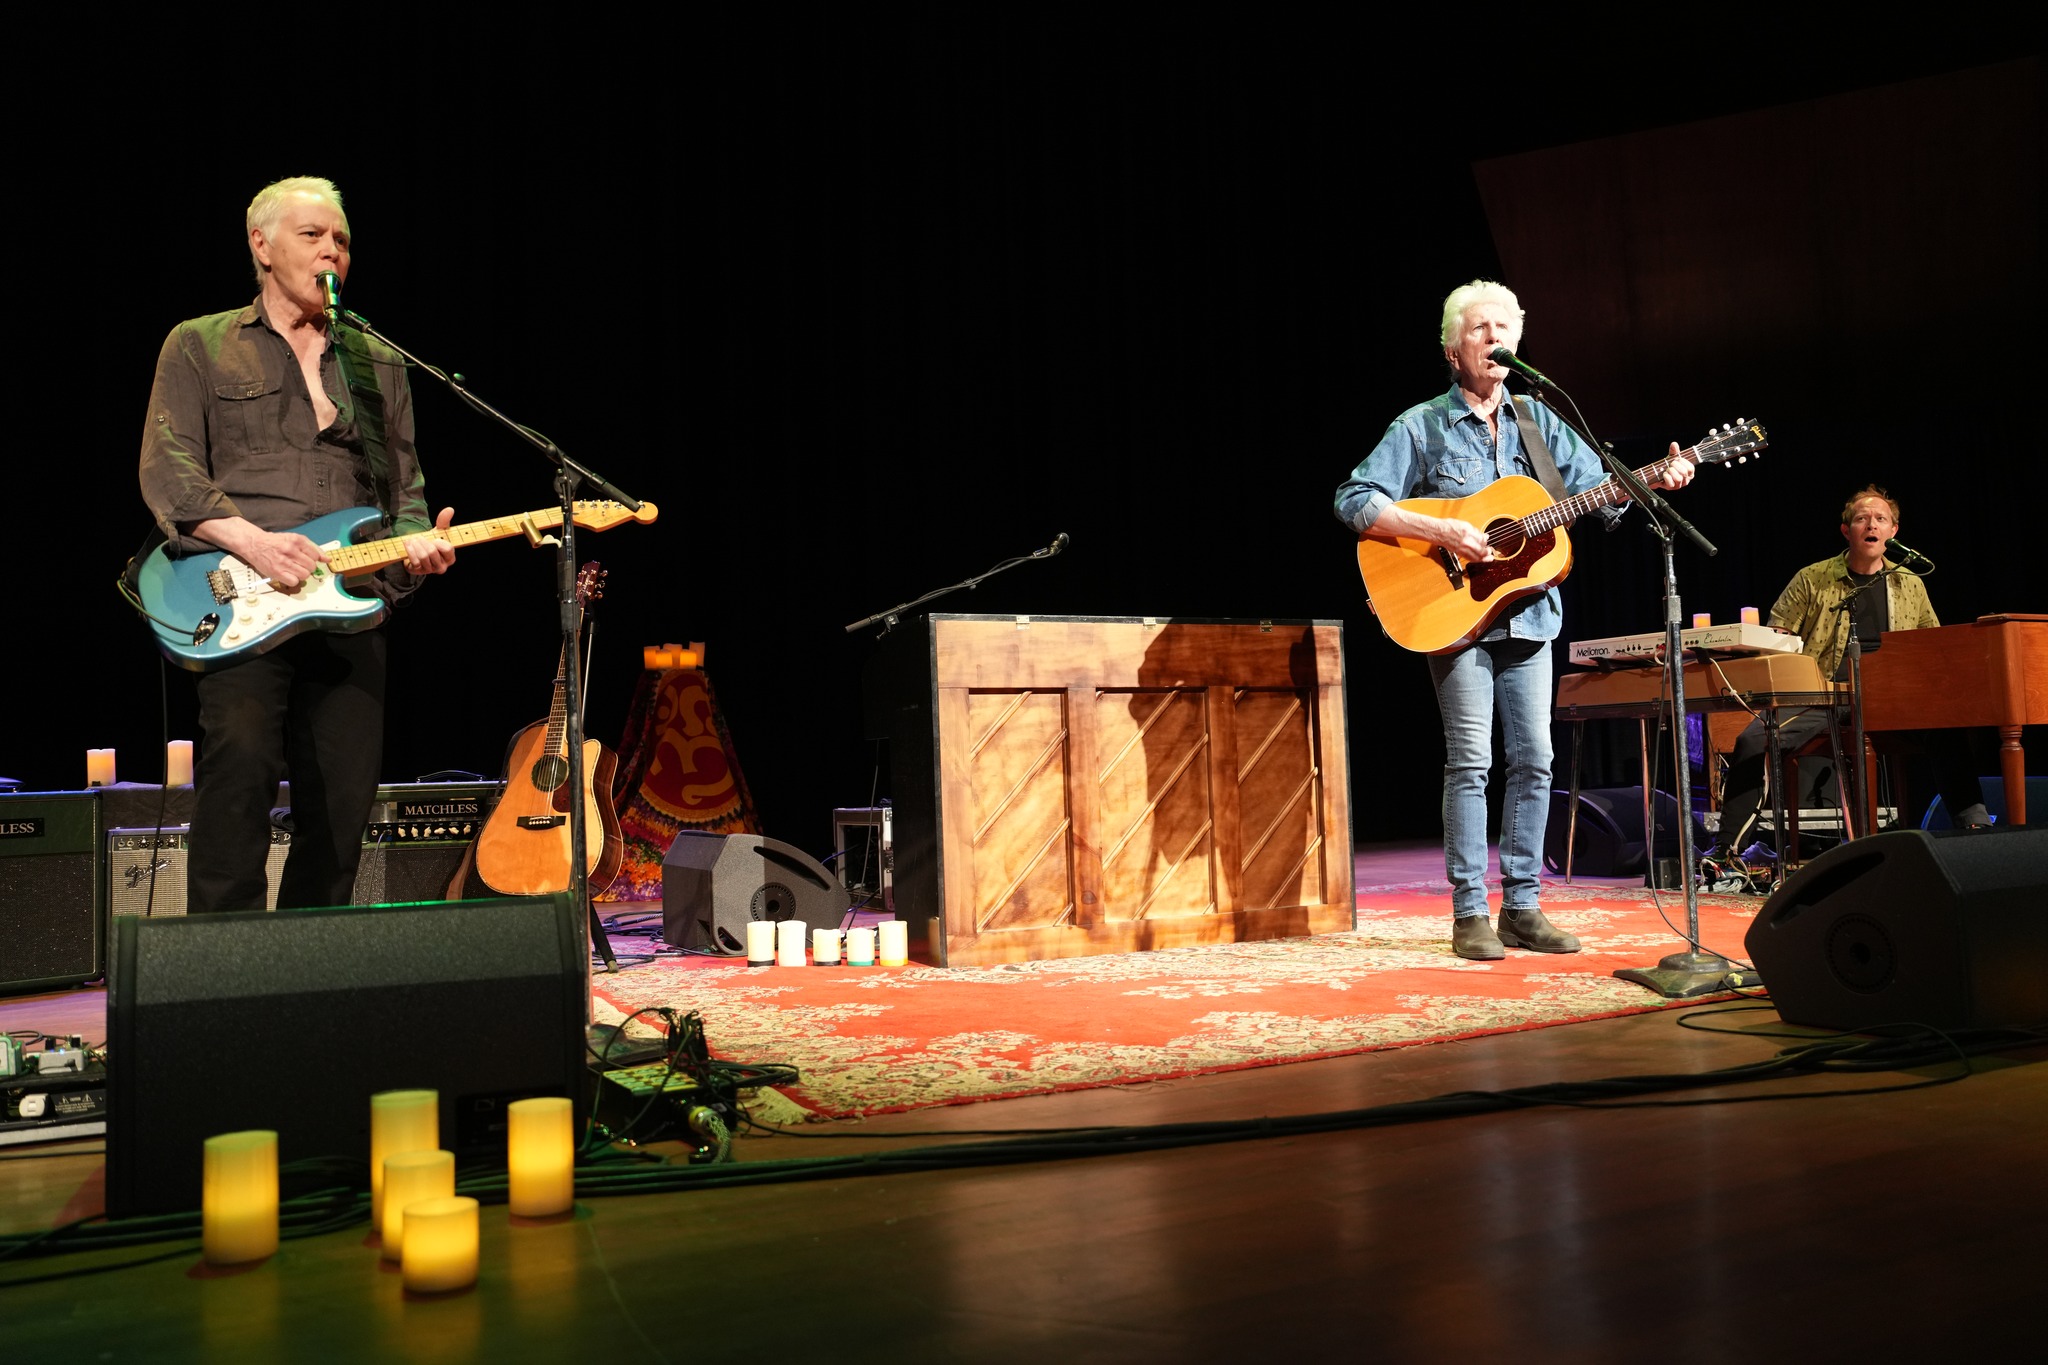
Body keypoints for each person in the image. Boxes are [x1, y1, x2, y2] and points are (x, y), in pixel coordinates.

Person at [1334, 281, 1694, 961]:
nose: (1494, 337)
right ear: (1452, 347)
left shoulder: (1541, 421)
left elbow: (1603, 496)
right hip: (1453, 612)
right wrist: (1439, 530)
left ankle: (1522, 906)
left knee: (1536, 759)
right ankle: (1470, 911)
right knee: (1471, 760)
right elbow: (1354, 498)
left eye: (1505, 327)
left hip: (1530, 614)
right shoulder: (1420, 426)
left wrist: (1656, 479)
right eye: (1480, 327)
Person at [139, 176, 457, 912]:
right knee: (241, 765)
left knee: (347, 801)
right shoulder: (199, 343)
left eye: (341, 240)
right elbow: (168, 468)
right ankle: (223, 976)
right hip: (238, 594)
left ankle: (307, 978)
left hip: (349, 602)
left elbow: (403, 493)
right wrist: (254, 543)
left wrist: (417, 552)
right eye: (313, 235)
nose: (332, 251)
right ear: (262, 244)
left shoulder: (377, 358)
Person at [1712, 485, 1986, 873]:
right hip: (1826, 695)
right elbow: (1775, 635)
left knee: (1947, 727)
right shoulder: (1814, 579)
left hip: (1892, 697)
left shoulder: (1910, 582)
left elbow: (1930, 644)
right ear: (1847, 531)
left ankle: (1974, 827)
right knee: (1754, 738)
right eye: (1861, 518)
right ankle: (1727, 851)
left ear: (1893, 531)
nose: (1870, 524)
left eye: (1880, 519)